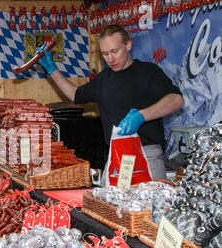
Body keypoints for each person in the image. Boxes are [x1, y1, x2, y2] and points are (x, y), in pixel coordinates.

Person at [36, 24, 185, 183]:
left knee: (147, 207)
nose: (110, 59)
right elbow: (75, 95)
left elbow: (177, 100)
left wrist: (142, 116)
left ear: (128, 45)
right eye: (105, 54)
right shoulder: (102, 79)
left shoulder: (148, 72)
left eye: (115, 51)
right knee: (106, 206)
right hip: (115, 156)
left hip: (146, 155)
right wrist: (52, 70)